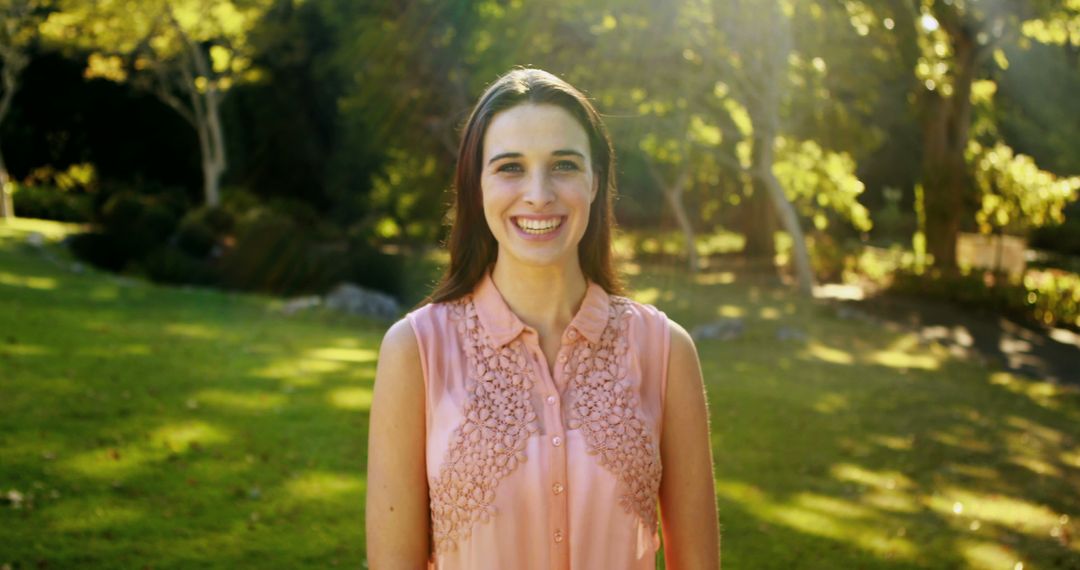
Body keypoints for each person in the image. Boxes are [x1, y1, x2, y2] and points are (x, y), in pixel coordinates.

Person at [366, 68, 720, 570]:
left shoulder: (665, 351)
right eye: (510, 166)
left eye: (564, 165)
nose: (538, 193)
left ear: (595, 181)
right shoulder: (415, 351)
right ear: (477, 185)